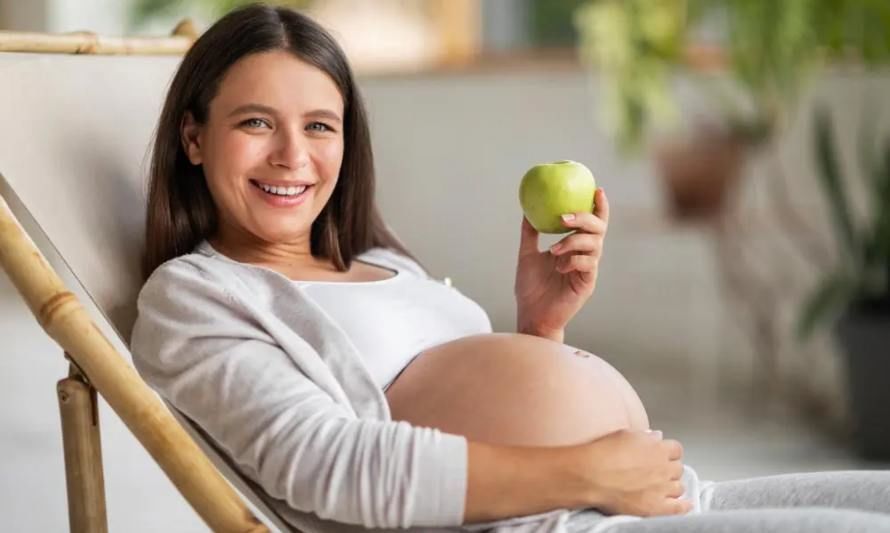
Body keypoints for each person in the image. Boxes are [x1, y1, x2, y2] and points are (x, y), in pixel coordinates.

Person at [130, 4, 890, 533]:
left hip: (655, 496)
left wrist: (540, 326)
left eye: (319, 125)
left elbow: (475, 401)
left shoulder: (378, 259)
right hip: (564, 518)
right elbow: (339, 466)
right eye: (256, 122)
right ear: (194, 139)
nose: (293, 156)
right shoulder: (195, 297)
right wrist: (587, 473)